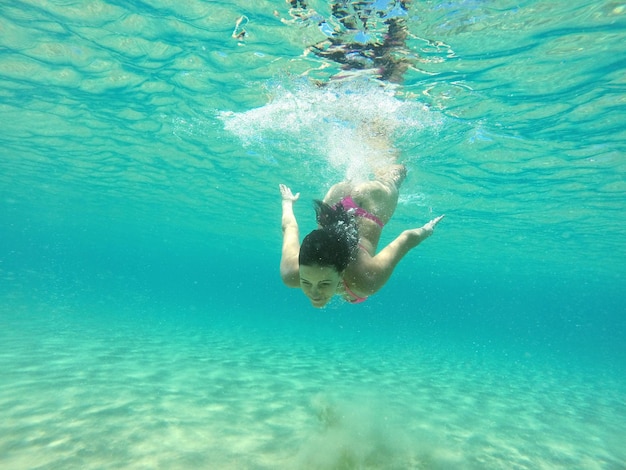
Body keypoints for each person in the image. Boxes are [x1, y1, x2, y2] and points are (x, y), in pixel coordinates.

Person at [279, 163, 444, 307]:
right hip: (333, 207)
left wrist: (426, 231)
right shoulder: (291, 272)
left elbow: (406, 239)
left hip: (372, 205)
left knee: (397, 173)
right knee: (361, 175)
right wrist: (287, 202)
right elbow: (289, 228)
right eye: (305, 282)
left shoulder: (366, 281)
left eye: (325, 283)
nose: (314, 292)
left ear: (342, 271)